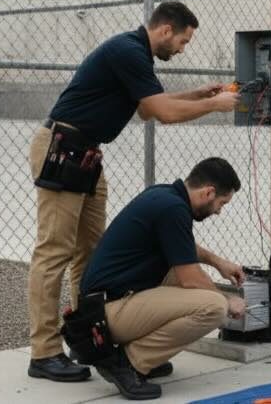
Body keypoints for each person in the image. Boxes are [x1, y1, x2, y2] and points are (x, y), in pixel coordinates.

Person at [27, 1, 241, 382]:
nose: (182, 49)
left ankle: (88, 340)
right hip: (64, 150)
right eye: (183, 41)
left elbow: (146, 109)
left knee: (88, 255)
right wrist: (214, 105)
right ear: (164, 31)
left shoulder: (137, 56)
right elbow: (164, 114)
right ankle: (43, 353)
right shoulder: (129, 51)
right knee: (54, 251)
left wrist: (197, 94)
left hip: (87, 154)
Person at [78, 157, 247, 400]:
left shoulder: (165, 195)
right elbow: (190, 278)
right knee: (213, 306)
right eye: (222, 203)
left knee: (183, 280)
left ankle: (146, 358)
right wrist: (228, 299)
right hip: (103, 318)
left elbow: (181, 244)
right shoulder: (174, 209)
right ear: (209, 192)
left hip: (98, 309)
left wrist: (218, 262)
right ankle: (127, 363)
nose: (220, 211)